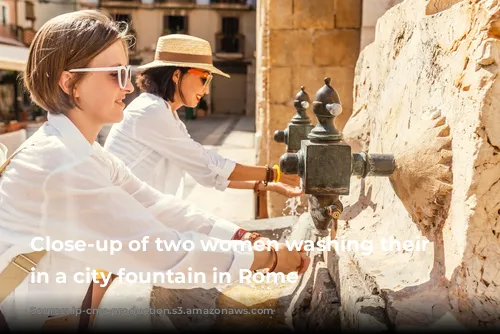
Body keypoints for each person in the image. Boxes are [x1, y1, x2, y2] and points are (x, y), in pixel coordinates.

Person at [0, 10, 309, 332]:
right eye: (115, 74)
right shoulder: (61, 164)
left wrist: (245, 237)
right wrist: (266, 259)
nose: (127, 86)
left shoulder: (84, 152)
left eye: (128, 72)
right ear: (70, 83)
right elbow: (166, 256)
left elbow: (158, 205)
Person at [103, 34, 302, 200]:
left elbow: (210, 175)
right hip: (126, 222)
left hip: (141, 217)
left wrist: (270, 185)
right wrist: (274, 174)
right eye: (203, 79)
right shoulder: (150, 111)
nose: (206, 90)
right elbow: (207, 163)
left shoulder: (166, 114)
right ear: (176, 75)